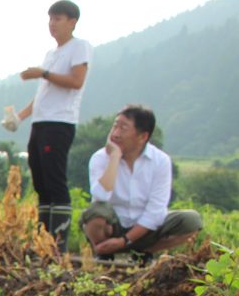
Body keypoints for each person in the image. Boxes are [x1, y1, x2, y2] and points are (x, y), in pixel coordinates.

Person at [2, 0, 91, 251]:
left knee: (54, 179)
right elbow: (43, 93)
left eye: (58, 19)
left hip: (59, 121)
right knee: (40, 181)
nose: (52, 24)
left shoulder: (79, 47)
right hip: (41, 122)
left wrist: (42, 73)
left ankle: (58, 243)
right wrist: (19, 117)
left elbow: (76, 81)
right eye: (50, 19)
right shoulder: (51, 54)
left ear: (72, 22)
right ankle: (43, 239)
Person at [81, 105, 202, 259]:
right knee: (95, 213)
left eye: (123, 128)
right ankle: (103, 252)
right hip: (113, 225)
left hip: (146, 229)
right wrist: (114, 159)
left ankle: (144, 253)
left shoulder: (160, 161)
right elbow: (100, 197)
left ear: (142, 137)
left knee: (191, 221)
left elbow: (156, 210)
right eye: (115, 126)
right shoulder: (100, 158)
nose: (115, 134)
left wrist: (125, 240)